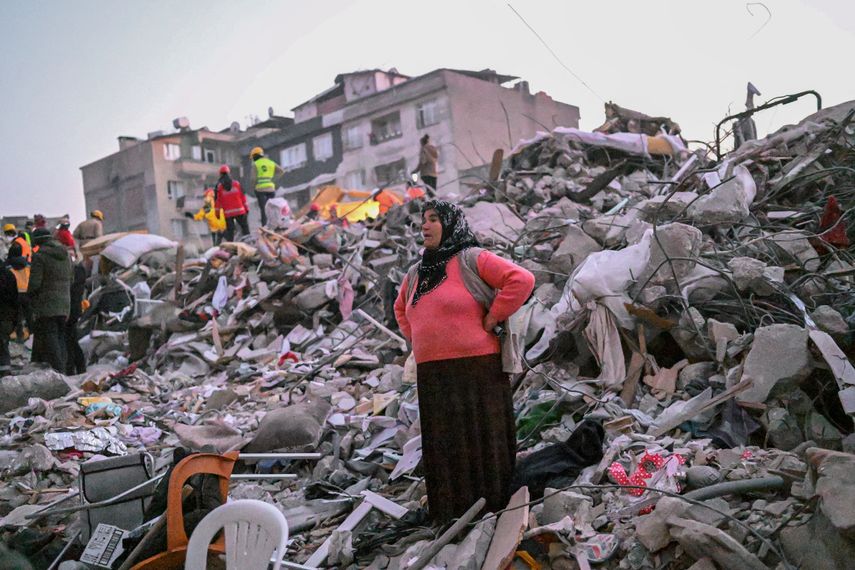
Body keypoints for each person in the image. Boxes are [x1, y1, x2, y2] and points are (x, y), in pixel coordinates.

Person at [394, 200, 534, 523]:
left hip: (477, 370)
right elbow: (400, 309)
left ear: (451, 224)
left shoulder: (471, 259)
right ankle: (451, 514)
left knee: (481, 439)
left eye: (433, 219)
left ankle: (493, 510)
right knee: (445, 444)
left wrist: (493, 317)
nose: (425, 226)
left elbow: (521, 279)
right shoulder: (416, 273)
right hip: (433, 375)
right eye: (423, 220)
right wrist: (418, 338)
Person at [28, 229, 72, 372]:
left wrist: (29, 297)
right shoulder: (66, 255)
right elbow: (71, 278)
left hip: (47, 304)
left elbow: (35, 284)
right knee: (60, 336)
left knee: (50, 337)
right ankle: (63, 369)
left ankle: (58, 371)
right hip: (65, 303)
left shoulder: (39, 256)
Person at [249, 147, 286, 227]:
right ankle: (275, 225)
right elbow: (281, 171)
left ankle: (265, 226)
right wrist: (272, 180)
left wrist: (253, 187)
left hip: (260, 190)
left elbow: (253, 179)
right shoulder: (270, 162)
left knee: (264, 210)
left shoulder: (256, 164)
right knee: (272, 209)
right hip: (271, 189)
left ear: (255, 156)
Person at [214, 165, 250, 241]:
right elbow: (243, 197)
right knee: (245, 230)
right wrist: (247, 209)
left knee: (230, 233)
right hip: (240, 211)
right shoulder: (237, 184)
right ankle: (250, 243)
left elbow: (217, 201)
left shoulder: (219, 187)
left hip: (228, 213)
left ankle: (230, 245)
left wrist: (217, 213)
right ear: (229, 173)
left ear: (220, 174)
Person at [65, 261, 87, 375]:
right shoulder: (79, 270)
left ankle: (72, 367)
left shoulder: (76, 271)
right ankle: (79, 366)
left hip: (70, 310)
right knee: (71, 339)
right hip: (74, 310)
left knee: (70, 340)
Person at [6, 242, 31, 341]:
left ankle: (17, 333)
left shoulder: (7, 265)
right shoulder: (28, 264)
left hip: (14, 293)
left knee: (17, 314)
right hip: (27, 293)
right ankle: (30, 334)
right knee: (28, 315)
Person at [0, 256, 19, 377]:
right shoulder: (10, 275)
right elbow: (15, 300)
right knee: (3, 344)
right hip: (7, 317)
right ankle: (5, 373)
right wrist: (15, 320)